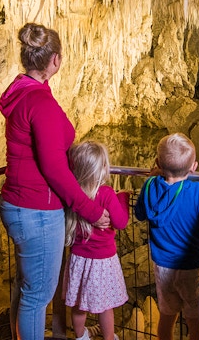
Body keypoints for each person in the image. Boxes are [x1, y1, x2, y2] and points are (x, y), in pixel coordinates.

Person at [0, 23, 110, 340]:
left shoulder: (22, 93)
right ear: (55, 61)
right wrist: (89, 209)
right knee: (39, 296)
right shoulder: (41, 104)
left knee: (26, 287)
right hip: (37, 209)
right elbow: (55, 169)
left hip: (18, 203)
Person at [134, 132, 199, 340]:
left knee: (167, 314)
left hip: (162, 266)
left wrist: (151, 180)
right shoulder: (197, 192)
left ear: (157, 163)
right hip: (191, 266)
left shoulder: (150, 186)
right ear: (194, 166)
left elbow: (140, 213)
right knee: (195, 318)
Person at [63, 140, 130, 340]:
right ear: (101, 168)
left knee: (78, 303)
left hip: (79, 259)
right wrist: (123, 199)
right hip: (103, 260)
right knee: (105, 305)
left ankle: (81, 336)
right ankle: (109, 338)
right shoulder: (107, 194)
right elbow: (121, 222)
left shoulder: (72, 193)